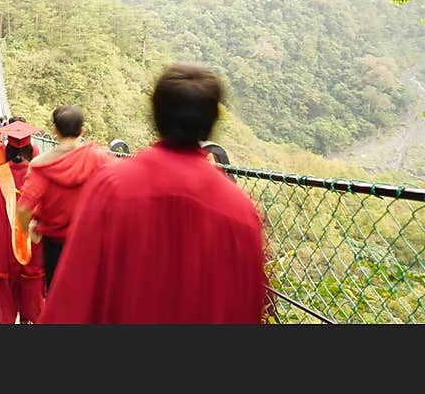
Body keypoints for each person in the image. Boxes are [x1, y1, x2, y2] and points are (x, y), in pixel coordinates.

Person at [39, 63, 268, 324]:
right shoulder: (241, 211)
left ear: (156, 116)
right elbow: (247, 308)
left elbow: (73, 295)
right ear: (211, 124)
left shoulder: (110, 187)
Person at [16, 105, 113, 289]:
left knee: (58, 299)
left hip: (55, 247)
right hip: (92, 243)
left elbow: (23, 208)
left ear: (55, 130)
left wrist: (28, 230)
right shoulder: (101, 158)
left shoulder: (41, 165)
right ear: (82, 130)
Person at [0, 121, 45, 323]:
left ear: (7, 149)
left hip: (2, 254)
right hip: (32, 252)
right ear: (31, 149)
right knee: (32, 301)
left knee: (5, 307)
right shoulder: (42, 177)